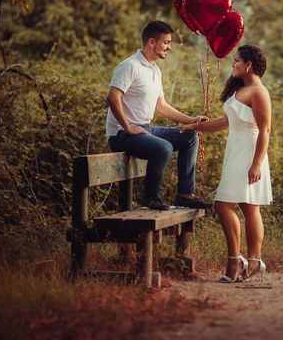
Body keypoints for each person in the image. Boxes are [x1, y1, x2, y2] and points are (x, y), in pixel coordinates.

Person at [181, 44, 272, 283]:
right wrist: (194, 126)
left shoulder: (259, 92)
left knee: (231, 205)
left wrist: (256, 164)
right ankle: (244, 261)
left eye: (237, 61)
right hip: (236, 153)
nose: (234, 65)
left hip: (251, 153)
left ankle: (246, 260)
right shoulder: (240, 89)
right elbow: (224, 121)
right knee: (242, 206)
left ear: (249, 64)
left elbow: (265, 130)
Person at [105, 20, 212, 210]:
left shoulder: (155, 70)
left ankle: (185, 194)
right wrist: (128, 127)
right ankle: (150, 197)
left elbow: (161, 105)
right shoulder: (130, 66)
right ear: (152, 42)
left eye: (169, 43)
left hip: (145, 129)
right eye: (166, 42)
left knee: (189, 137)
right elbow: (113, 97)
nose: (169, 47)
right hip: (121, 134)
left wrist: (191, 120)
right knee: (164, 147)